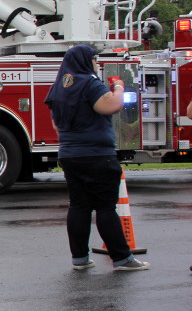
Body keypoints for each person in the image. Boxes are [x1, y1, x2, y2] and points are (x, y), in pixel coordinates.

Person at [45, 45, 149, 272]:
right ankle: (122, 258)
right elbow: (111, 105)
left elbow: (56, 123)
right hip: (97, 155)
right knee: (105, 207)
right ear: (85, 60)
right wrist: (119, 88)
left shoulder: (58, 88)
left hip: (70, 155)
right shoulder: (89, 83)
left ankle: (80, 258)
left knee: (79, 205)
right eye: (94, 59)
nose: (96, 63)